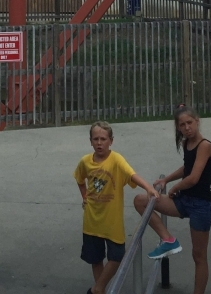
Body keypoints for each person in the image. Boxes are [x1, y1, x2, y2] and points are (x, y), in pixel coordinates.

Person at [134, 105, 211, 294]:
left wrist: (174, 188)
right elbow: (186, 168)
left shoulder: (205, 145)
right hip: (184, 202)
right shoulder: (188, 144)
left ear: (197, 121)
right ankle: (168, 239)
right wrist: (166, 180)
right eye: (182, 125)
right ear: (178, 128)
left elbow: (193, 177)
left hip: (201, 207)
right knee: (141, 200)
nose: (187, 127)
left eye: (189, 123)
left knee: (199, 256)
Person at [75, 121, 158, 294]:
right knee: (95, 259)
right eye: (95, 139)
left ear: (111, 141)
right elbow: (79, 179)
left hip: (111, 221)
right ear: (90, 141)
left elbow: (131, 174)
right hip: (92, 221)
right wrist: (84, 197)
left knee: (117, 256)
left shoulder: (116, 160)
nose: (99, 143)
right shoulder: (85, 161)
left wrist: (148, 188)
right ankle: (101, 291)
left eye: (103, 139)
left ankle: (97, 289)